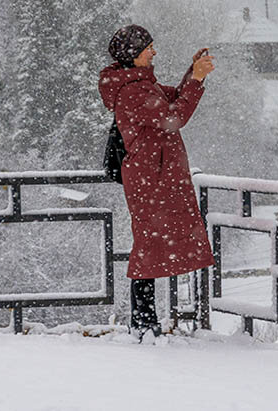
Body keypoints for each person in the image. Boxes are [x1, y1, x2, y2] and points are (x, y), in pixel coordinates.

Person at [98, 24, 216, 339]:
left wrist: (193, 74)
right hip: (150, 178)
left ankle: (145, 321)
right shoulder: (133, 90)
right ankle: (143, 321)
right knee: (148, 244)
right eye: (148, 47)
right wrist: (198, 80)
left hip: (155, 175)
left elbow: (174, 100)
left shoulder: (140, 83)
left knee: (151, 242)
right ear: (133, 55)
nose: (154, 51)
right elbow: (174, 117)